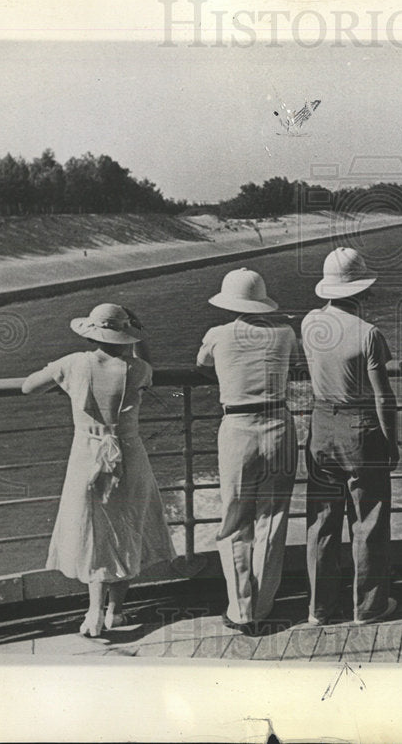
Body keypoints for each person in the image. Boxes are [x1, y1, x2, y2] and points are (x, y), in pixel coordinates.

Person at [21, 303, 175, 637]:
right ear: (127, 333)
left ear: (93, 332)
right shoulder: (138, 369)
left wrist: (65, 382)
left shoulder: (75, 363)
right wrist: (139, 335)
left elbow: (29, 386)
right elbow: (150, 369)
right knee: (128, 528)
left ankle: (93, 611)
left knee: (95, 531)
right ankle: (115, 612)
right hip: (129, 452)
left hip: (87, 454)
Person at [196, 268, 298, 635]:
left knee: (235, 518)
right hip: (278, 425)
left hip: (237, 427)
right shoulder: (285, 333)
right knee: (273, 517)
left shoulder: (217, 334)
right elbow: (295, 366)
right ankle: (264, 603)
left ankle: (241, 608)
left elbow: (203, 366)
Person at [302, 247, 398, 625]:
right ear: (360, 291)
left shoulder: (310, 323)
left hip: (321, 422)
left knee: (322, 520)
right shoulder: (369, 334)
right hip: (360, 427)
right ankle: (368, 607)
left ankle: (319, 609)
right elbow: (382, 396)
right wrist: (392, 441)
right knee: (368, 521)